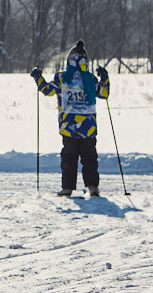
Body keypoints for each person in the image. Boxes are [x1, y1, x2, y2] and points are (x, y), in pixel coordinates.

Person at [32, 40, 110, 197]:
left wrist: (37, 77)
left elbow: (47, 90)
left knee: (69, 158)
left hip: (69, 127)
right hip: (89, 127)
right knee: (90, 158)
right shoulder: (90, 79)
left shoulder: (62, 77)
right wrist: (104, 78)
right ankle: (92, 187)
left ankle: (67, 188)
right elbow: (104, 93)